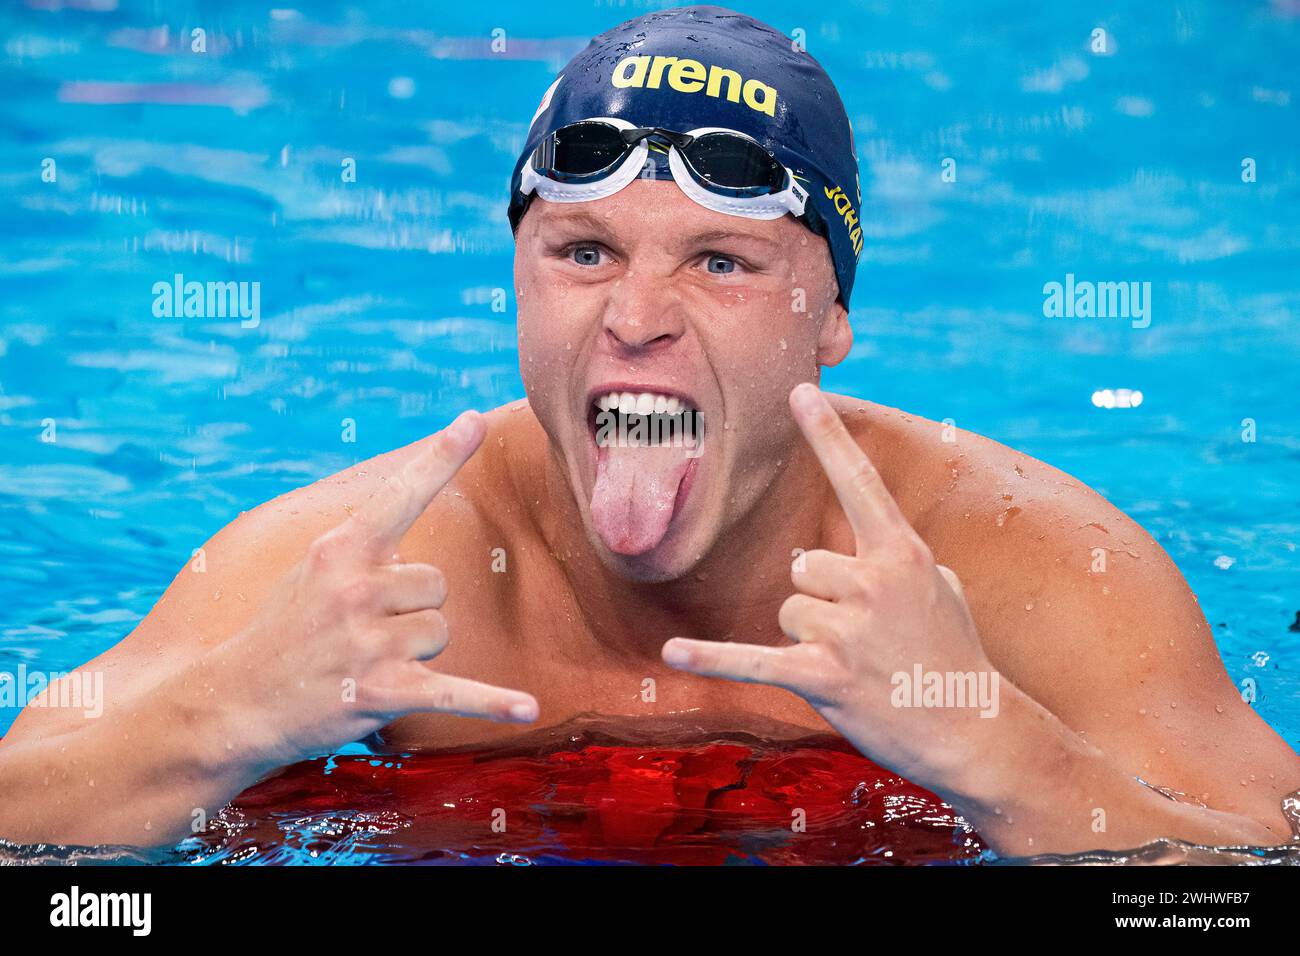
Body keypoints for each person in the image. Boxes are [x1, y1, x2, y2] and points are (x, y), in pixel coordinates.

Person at [2, 5, 1296, 858]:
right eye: (583, 251)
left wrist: (999, 751)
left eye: (721, 264)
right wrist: (231, 711)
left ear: (831, 313)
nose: (635, 317)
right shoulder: (358, 567)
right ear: (517, 277)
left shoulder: (1021, 568)